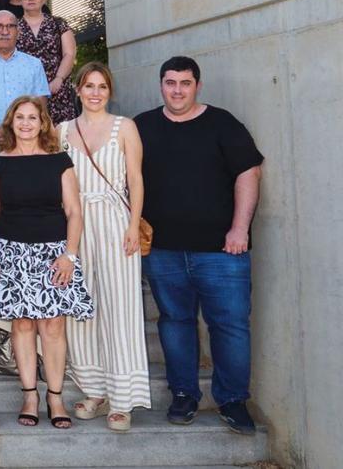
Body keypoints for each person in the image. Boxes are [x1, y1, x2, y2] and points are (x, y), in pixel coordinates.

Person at [134, 56, 263, 435]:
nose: (177, 90)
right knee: (175, 323)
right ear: (161, 85)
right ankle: (184, 395)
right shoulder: (143, 126)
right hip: (163, 252)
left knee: (231, 327)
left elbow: (249, 173)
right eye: (170, 82)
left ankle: (233, 400)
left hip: (222, 253)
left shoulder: (222, 124)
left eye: (185, 83)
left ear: (197, 86)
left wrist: (240, 229)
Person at [0, 95, 93, 429]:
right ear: (10, 123)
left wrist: (70, 255)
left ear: (43, 123)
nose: (26, 124)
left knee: (53, 325)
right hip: (11, 252)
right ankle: (30, 394)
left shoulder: (59, 161)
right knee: (23, 324)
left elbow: (74, 211)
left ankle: (55, 397)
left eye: (33, 118)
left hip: (53, 253)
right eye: (20, 118)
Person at [59, 63, 151, 432]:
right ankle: (94, 390)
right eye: (89, 86)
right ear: (78, 90)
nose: (95, 92)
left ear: (109, 91)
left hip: (114, 221)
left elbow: (136, 179)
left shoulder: (125, 127)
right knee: (81, 306)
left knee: (121, 304)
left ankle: (123, 398)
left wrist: (133, 224)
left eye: (102, 86)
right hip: (75, 225)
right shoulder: (62, 130)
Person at [16, 0, 77, 123]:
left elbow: (69, 54)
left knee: (62, 137)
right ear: (20, 0)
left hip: (57, 90)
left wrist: (59, 79)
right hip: (25, 92)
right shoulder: (13, 27)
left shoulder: (58, 23)